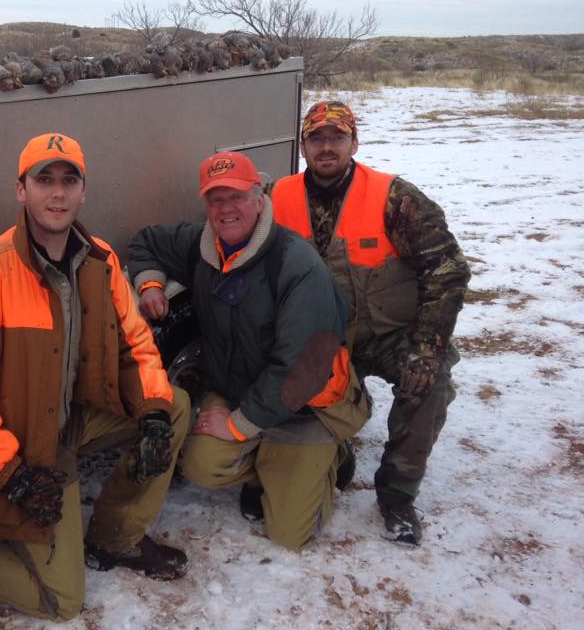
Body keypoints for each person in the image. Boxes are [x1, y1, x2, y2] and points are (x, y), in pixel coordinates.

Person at [0, 133, 191, 621]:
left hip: (73, 419)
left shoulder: (100, 261)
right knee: (62, 601)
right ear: (21, 191)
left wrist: (152, 411)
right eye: (43, 180)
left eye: (69, 181)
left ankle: (115, 538)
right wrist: (13, 476)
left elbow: (136, 345)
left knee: (173, 405)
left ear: (84, 192)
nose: (58, 193)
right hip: (22, 445)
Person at [128, 151, 369, 552]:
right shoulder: (203, 244)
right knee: (200, 466)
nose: (226, 210)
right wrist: (149, 284)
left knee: (291, 535)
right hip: (242, 386)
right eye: (215, 199)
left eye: (237, 197)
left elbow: (302, 370)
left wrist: (239, 424)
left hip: (304, 407)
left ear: (260, 199)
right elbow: (147, 242)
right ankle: (269, 468)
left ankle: (332, 457)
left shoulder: (297, 265)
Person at [270, 101, 471, 545]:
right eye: (317, 137)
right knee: (278, 384)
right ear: (303, 145)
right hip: (320, 340)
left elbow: (447, 270)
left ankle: (397, 495)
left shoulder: (395, 197)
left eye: (337, 137)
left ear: (354, 143)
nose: (327, 146)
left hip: (388, 334)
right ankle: (333, 456)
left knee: (430, 384)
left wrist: (427, 346)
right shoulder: (276, 196)